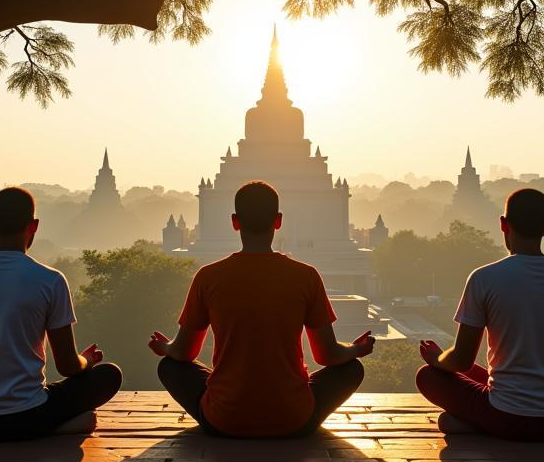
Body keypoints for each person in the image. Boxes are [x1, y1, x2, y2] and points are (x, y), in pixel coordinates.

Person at [148, 180, 374, 438]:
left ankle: (225, 398)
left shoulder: (208, 277)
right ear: (278, 221)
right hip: (293, 419)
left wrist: (165, 347)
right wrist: (357, 349)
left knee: (170, 366)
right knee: (351, 368)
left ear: (235, 222)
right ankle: (290, 401)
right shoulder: (306, 276)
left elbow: (184, 352)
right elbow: (327, 355)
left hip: (224, 419)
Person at [0, 187, 121, 441]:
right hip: (26, 417)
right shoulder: (50, 280)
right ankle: (54, 426)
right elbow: (67, 366)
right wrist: (86, 361)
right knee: (109, 375)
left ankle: (23, 425)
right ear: (34, 226)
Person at [416, 188, 544, 441]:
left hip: (508, 419)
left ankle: (477, 425)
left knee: (428, 376)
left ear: (503, 225)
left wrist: (437, 359)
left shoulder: (484, 278)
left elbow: (461, 361)